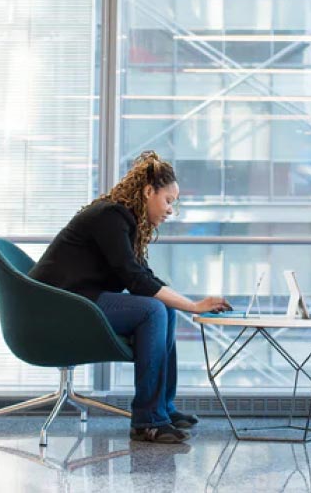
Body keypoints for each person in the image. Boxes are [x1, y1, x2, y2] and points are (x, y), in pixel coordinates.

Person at [30, 151, 230, 444]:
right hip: (58, 306)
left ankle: (162, 409)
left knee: (162, 308)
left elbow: (142, 276)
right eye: (168, 201)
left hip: (79, 300)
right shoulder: (110, 216)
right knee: (153, 310)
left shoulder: (123, 219)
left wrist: (188, 304)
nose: (171, 210)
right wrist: (192, 306)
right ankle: (148, 421)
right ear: (149, 191)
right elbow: (135, 281)